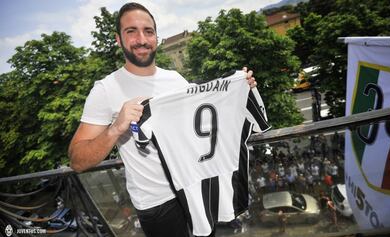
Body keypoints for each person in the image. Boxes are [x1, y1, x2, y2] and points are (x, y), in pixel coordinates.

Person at [68, 2, 257, 237]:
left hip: (195, 187)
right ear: (118, 39)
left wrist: (238, 91)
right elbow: (77, 161)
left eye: (148, 31)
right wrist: (115, 128)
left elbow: (205, 122)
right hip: (157, 204)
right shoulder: (105, 90)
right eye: (131, 31)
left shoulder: (176, 80)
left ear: (156, 36)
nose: (141, 39)